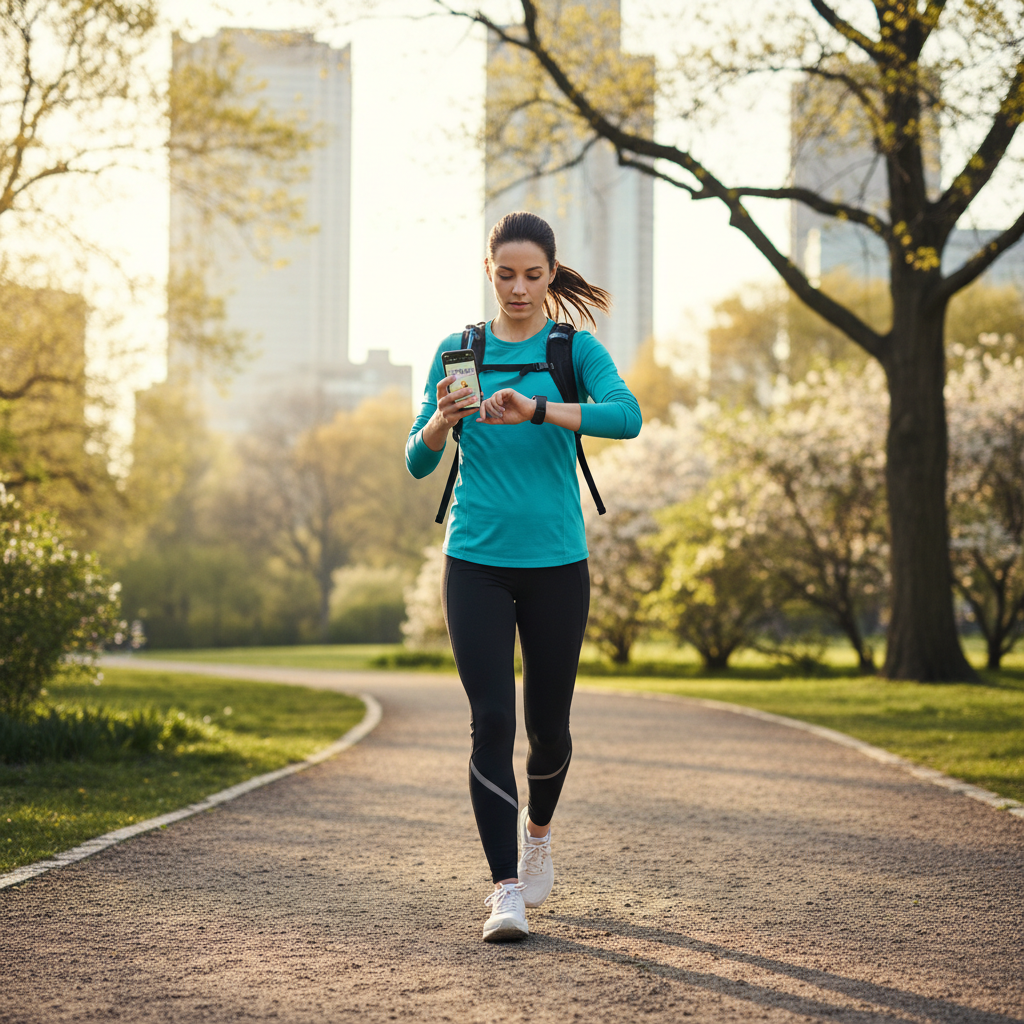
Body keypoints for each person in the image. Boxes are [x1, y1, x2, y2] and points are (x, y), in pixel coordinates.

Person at [405, 211, 642, 942]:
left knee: (549, 731)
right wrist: (443, 421)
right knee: (492, 723)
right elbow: (416, 460)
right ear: (489, 272)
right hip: (474, 560)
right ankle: (504, 889)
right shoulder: (459, 348)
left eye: (532, 275)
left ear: (549, 274)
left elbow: (626, 418)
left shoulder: (573, 348)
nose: (518, 287)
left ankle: (538, 833)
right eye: (505, 274)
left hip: (556, 565)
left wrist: (538, 408)